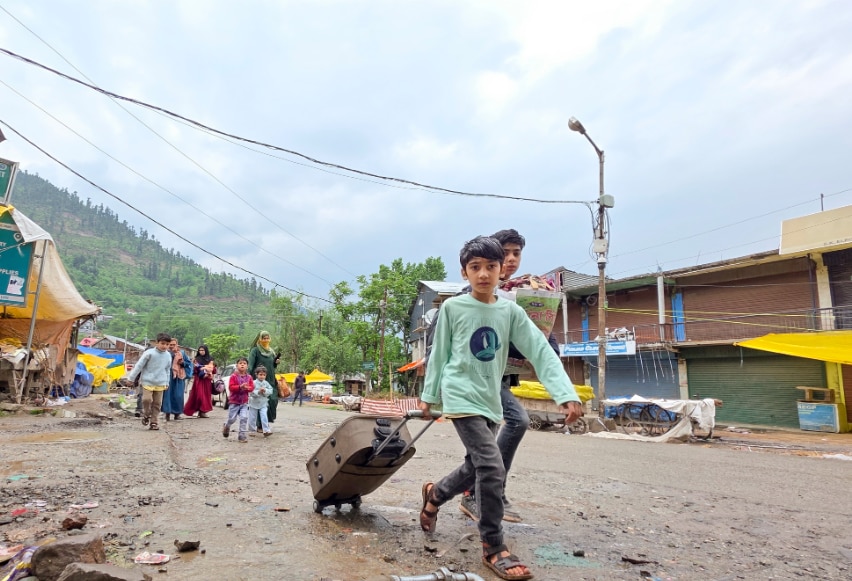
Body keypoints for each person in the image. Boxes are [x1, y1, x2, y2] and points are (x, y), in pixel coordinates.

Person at [418, 236, 582, 581]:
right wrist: (429, 397)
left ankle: (435, 496)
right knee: (491, 467)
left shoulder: (510, 311)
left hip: (490, 397)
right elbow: (439, 354)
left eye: (490, 267)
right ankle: (494, 546)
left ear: (499, 272)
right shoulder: (453, 308)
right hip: (460, 396)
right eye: (475, 267)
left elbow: (539, 350)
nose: (483, 274)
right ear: (464, 271)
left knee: (474, 465)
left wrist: (565, 392)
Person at [459, 228, 559, 524]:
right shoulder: (476, 294)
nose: (512, 259)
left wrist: (550, 358)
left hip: (501, 377)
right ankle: (486, 494)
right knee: (517, 420)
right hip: (476, 377)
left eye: (517, 253)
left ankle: (466, 494)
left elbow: (543, 335)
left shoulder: (521, 292)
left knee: (484, 442)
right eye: (506, 253)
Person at [127, 333, 173, 431]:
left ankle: (154, 422)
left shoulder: (168, 355)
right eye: (162, 343)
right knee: (146, 400)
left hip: (160, 383)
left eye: (167, 344)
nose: (165, 346)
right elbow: (139, 366)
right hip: (147, 381)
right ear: (157, 343)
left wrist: (167, 382)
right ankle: (146, 413)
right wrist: (131, 378)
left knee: (157, 403)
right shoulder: (149, 353)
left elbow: (167, 370)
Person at [248, 331, 280, 428]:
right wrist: (248, 378)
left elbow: (272, 366)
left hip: (270, 379)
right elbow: (250, 365)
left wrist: (276, 362)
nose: (266, 340)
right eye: (264, 338)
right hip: (258, 380)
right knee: (259, 401)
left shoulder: (271, 351)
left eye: (267, 338)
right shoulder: (255, 351)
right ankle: (260, 425)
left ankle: (265, 422)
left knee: (273, 400)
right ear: (260, 339)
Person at [223, 357, 253, 443]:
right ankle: (227, 426)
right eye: (240, 363)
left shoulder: (249, 377)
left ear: (247, 366)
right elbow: (231, 387)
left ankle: (242, 436)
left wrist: (247, 388)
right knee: (232, 419)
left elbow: (251, 388)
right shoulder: (233, 376)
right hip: (234, 402)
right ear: (237, 365)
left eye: (244, 363)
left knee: (244, 418)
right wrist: (240, 387)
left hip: (244, 402)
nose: (242, 364)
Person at [163, 339, 192, 421]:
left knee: (178, 395)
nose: (171, 346)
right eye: (170, 344)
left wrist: (183, 363)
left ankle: (177, 414)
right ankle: (167, 413)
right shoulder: (165, 353)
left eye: (173, 344)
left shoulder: (182, 353)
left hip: (179, 377)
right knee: (168, 395)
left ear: (177, 345)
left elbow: (188, 363)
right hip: (168, 376)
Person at [184, 345, 216, 418]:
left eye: (203, 350)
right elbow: (194, 370)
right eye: (200, 350)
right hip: (199, 380)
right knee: (199, 396)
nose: (201, 352)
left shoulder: (210, 359)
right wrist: (199, 370)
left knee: (206, 396)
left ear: (206, 351)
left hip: (207, 380)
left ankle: (203, 411)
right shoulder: (196, 359)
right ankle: (196, 410)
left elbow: (214, 370)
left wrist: (208, 370)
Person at [248, 365, 273, 437]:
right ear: (256, 374)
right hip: (253, 403)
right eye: (260, 374)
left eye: (264, 375)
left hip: (263, 403)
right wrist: (258, 392)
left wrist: (265, 391)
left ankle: (266, 430)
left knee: (264, 416)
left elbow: (271, 390)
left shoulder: (266, 383)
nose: (262, 376)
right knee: (252, 417)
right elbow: (250, 391)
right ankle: (252, 430)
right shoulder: (253, 383)